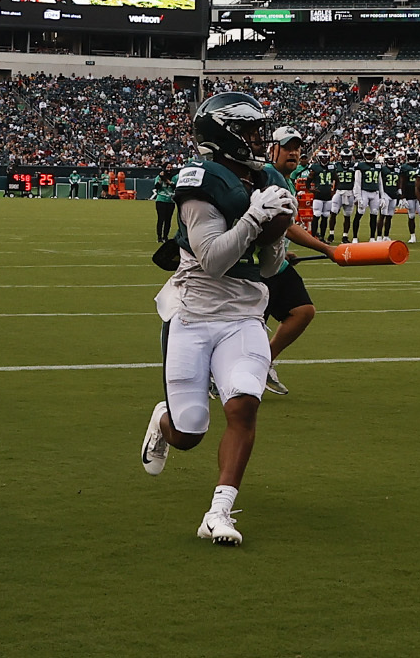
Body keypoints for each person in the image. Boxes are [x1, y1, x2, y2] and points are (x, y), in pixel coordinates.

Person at [138, 91, 295, 546]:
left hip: (245, 313)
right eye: (248, 131)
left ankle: (219, 512)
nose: (257, 139)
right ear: (223, 134)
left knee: (244, 405)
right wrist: (252, 219)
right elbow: (210, 259)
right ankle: (163, 421)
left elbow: (266, 269)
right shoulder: (200, 181)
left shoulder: (265, 178)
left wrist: (276, 234)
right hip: (194, 313)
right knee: (189, 433)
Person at [254, 127, 340, 394]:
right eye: (287, 147)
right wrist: (327, 249)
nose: (293, 152)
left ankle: (263, 362)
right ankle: (217, 373)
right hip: (257, 267)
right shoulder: (270, 175)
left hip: (275, 263)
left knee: (302, 311)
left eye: (297, 148)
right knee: (247, 328)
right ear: (273, 150)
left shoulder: (284, 179)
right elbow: (287, 226)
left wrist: (284, 251)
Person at [151, 166, 176, 243]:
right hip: (161, 200)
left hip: (170, 201)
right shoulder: (159, 177)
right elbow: (157, 187)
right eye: (167, 167)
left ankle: (165, 236)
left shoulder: (175, 177)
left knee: (168, 220)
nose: (169, 169)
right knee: (161, 219)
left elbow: (174, 186)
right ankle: (159, 237)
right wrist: (160, 179)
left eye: (170, 167)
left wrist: (166, 179)